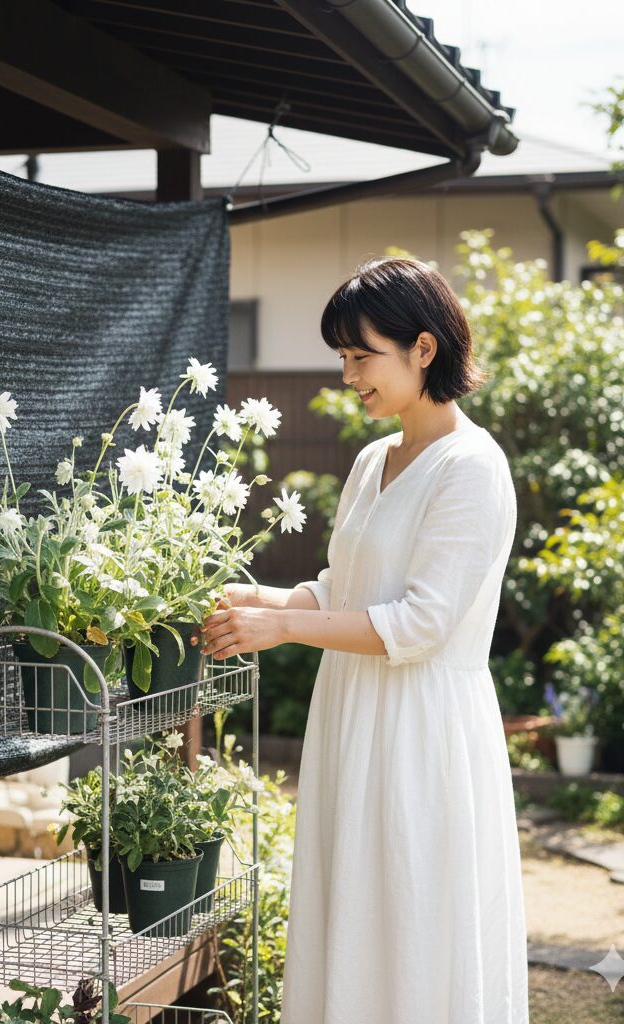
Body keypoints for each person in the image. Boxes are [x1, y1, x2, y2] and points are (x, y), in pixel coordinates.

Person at [195, 257, 529, 1023]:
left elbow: (419, 622)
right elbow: (343, 591)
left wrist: (281, 627)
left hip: (422, 730)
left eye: (360, 356)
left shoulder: (472, 468)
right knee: (351, 915)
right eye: (343, 358)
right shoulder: (374, 458)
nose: (349, 376)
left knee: (412, 918)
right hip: (350, 717)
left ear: (423, 348)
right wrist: (261, 598)